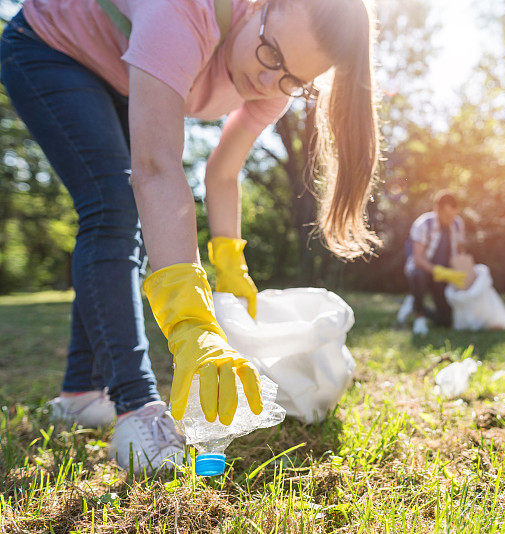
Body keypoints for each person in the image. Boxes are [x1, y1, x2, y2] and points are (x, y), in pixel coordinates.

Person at [0, 0, 379, 473]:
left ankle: (79, 393)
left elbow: (221, 173)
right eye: (271, 54)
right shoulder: (180, 15)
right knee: (115, 207)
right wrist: (190, 323)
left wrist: (230, 261)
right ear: (261, 6)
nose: (269, 82)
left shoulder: (274, 81)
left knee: (119, 213)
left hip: (117, 72)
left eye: (293, 81)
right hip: (50, 48)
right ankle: (136, 406)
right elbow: (156, 168)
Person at [398, 191, 468, 336]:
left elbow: (460, 251)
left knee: (445, 321)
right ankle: (420, 318)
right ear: (437, 209)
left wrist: (459, 271)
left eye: (453, 215)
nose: (451, 219)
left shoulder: (457, 223)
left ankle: (414, 305)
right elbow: (417, 258)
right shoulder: (423, 224)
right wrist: (439, 271)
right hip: (423, 270)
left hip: (444, 275)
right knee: (418, 274)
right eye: (448, 215)